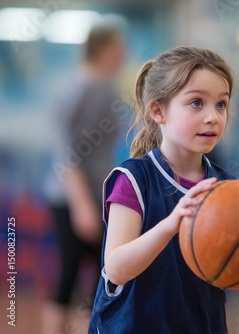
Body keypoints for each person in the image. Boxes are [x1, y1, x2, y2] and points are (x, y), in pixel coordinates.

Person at [88, 46, 239, 333]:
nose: (213, 117)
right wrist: (171, 225)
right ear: (158, 110)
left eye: (221, 104)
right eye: (197, 103)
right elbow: (117, 268)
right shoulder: (134, 179)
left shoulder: (228, 190)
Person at [42, 21, 125, 333]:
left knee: (98, 278)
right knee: (71, 274)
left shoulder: (103, 88)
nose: (123, 54)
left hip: (94, 196)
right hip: (73, 198)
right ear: (106, 49)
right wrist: (82, 206)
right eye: (120, 47)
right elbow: (65, 156)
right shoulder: (83, 89)